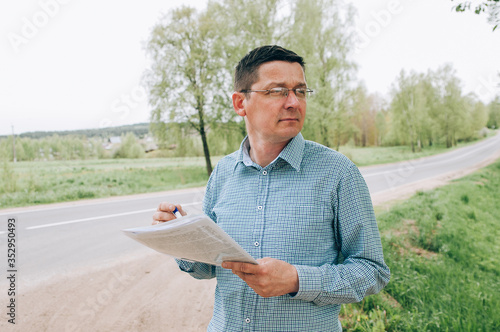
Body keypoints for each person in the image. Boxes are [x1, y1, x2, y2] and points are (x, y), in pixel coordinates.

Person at [153, 45, 390, 331]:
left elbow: (372, 271)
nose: (293, 102)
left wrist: (296, 280)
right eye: (277, 91)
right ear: (240, 103)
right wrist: (180, 240)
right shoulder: (223, 173)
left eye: (300, 91)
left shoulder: (338, 173)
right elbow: (208, 269)